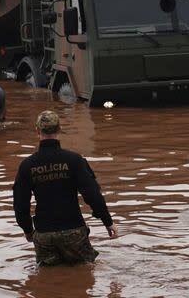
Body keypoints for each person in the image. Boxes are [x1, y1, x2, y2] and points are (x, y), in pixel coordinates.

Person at [13, 110, 118, 266]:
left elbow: (20, 204)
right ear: (59, 129)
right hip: (73, 231)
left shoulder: (27, 166)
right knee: (85, 274)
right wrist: (108, 222)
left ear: (37, 131)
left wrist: (28, 230)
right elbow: (92, 195)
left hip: (44, 234)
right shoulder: (74, 161)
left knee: (46, 281)